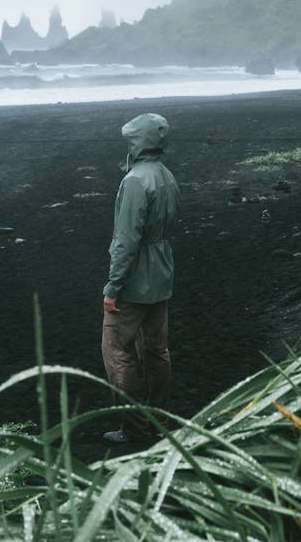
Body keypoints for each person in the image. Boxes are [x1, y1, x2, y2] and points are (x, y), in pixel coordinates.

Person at [101, 113, 180, 444]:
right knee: (157, 352)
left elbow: (126, 240)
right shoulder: (166, 176)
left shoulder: (135, 180)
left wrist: (112, 287)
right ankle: (160, 418)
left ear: (137, 143)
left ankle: (134, 428)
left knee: (117, 352)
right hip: (161, 276)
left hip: (134, 282)